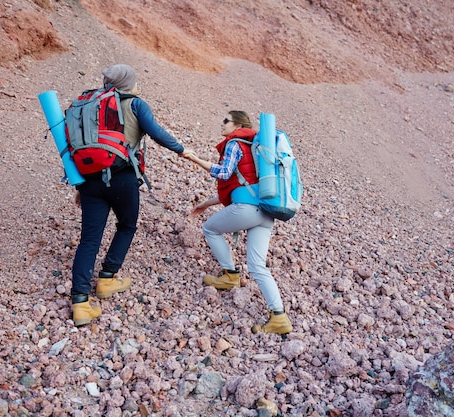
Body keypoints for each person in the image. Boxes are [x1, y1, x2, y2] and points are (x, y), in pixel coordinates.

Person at [71, 64, 192, 326]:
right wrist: (181, 150)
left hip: (90, 179)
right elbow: (156, 132)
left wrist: (80, 187)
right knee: (126, 225)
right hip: (122, 177)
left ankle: (80, 303)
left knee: (89, 240)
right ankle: (107, 279)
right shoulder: (135, 104)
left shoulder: (91, 104)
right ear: (130, 82)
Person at [186, 111, 293, 335]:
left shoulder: (234, 142)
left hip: (248, 209)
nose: (222, 124)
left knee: (209, 229)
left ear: (237, 125)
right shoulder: (254, 149)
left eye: (226, 120)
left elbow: (224, 174)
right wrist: (206, 204)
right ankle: (279, 317)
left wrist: (195, 159)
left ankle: (230, 275)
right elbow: (244, 189)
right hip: (265, 212)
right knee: (257, 266)